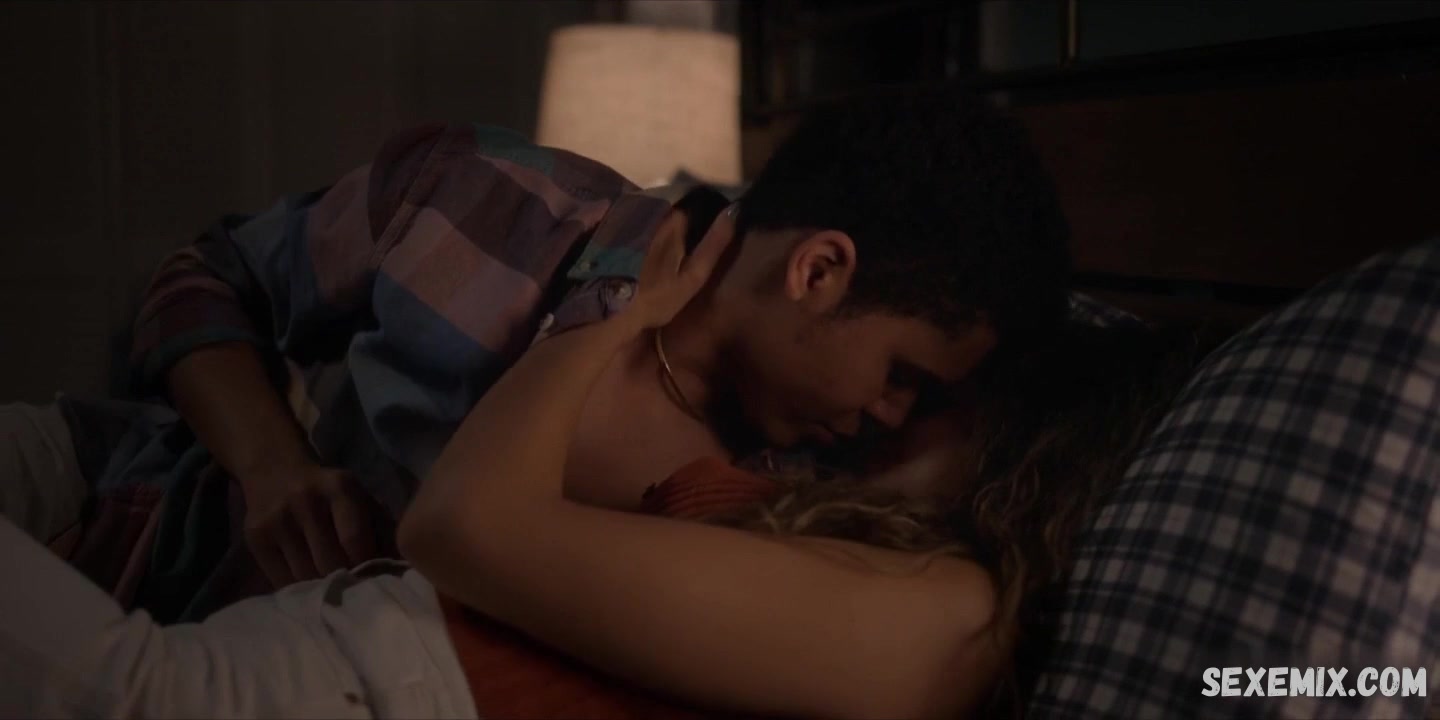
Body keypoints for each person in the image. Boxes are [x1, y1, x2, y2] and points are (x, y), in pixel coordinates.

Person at [0, 209, 1195, 718]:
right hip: (354, 656)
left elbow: (461, 525)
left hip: (381, 689)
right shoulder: (861, 547)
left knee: (112, 690)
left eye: (927, 399)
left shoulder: (947, 617)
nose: (885, 414)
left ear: (1016, 454)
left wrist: (612, 325)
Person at [5, 86, 1072, 623]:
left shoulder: (801, 496)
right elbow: (202, 277)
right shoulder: (497, 203)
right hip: (122, 492)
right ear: (820, 270)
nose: (893, 418)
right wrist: (272, 465)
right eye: (902, 377)